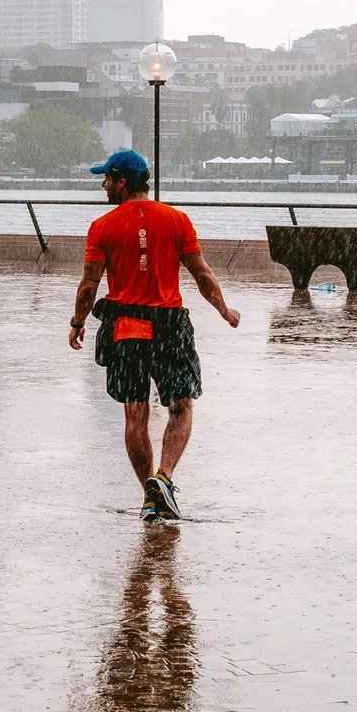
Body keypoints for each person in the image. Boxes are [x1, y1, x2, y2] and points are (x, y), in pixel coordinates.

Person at [69, 149, 241, 521]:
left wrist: (78, 321)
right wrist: (224, 310)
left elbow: (88, 285)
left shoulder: (102, 227)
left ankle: (149, 491)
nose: (103, 185)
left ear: (122, 181)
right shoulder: (177, 219)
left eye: (107, 179)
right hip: (170, 325)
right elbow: (201, 273)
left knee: (136, 414)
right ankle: (163, 478)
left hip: (128, 325)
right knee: (181, 406)